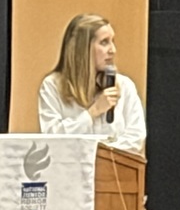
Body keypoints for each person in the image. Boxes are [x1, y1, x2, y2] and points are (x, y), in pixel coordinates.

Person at [38, 13, 146, 154]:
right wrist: (93, 112)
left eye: (113, 41)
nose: (113, 50)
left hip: (114, 172)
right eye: (104, 42)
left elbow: (135, 139)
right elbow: (53, 138)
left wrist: (100, 153)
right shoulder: (53, 86)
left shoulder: (125, 86)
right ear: (83, 49)